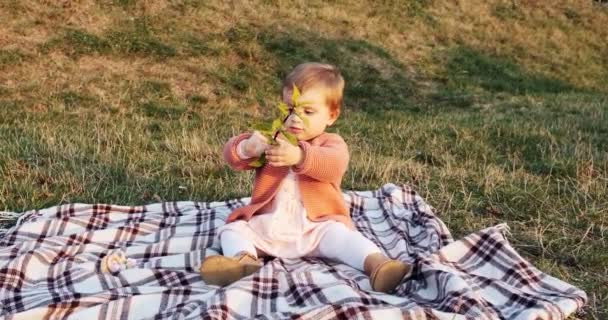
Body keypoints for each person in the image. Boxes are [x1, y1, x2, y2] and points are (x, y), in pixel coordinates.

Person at [200, 62, 411, 293]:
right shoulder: (274, 138)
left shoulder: (331, 143)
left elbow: (333, 165)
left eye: (308, 112)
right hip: (270, 224)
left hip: (316, 228)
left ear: (331, 115)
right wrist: (247, 149)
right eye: (290, 109)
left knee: (345, 238)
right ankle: (243, 261)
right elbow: (233, 157)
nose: (295, 119)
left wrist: (300, 156)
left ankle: (378, 265)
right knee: (233, 230)